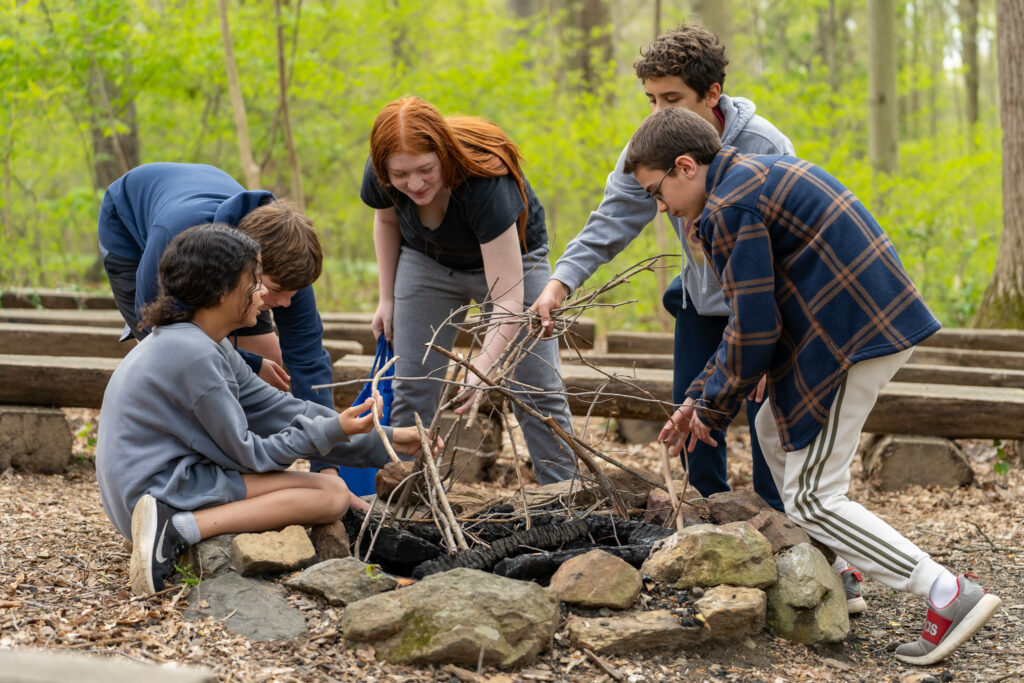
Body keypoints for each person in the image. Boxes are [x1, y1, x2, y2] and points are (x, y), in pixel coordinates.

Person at [623, 106, 1001, 666]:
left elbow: (754, 329)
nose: (660, 209)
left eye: (657, 193)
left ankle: (947, 593)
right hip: (853, 328)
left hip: (853, 337)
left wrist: (712, 409)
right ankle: (837, 561)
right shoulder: (748, 178)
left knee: (812, 494)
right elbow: (748, 322)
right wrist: (697, 398)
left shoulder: (729, 208)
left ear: (685, 166)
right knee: (771, 431)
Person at [531, 24, 791, 514]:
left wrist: (772, 336)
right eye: (650, 99)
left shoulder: (764, 144)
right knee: (691, 416)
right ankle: (704, 520)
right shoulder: (647, 147)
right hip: (701, 298)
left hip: (765, 304)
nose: (656, 112)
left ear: (713, 93)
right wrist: (559, 283)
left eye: (670, 98)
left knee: (765, 421)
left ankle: (779, 524)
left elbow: (789, 251)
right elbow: (612, 219)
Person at [95, 224, 425, 597]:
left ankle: (177, 524)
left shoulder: (203, 343)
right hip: (155, 494)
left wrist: (390, 439)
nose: (263, 292)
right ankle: (178, 530)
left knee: (332, 488)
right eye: (254, 281)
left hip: (149, 488)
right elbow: (252, 457)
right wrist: (336, 430)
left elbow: (281, 410)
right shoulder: (196, 355)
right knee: (331, 496)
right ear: (221, 291)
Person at [361, 96, 576, 485]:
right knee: (413, 385)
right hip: (427, 260)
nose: (414, 183)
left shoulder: (485, 182)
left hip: (514, 263)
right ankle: (407, 495)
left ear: (443, 155)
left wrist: (481, 369)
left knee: (536, 389)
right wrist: (387, 298)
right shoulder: (383, 166)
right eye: (401, 175)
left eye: (426, 170)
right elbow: (388, 222)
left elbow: (509, 298)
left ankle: (565, 494)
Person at [97, 162, 333, 407]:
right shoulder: (177, 235)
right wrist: (247, 363)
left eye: (292, 294)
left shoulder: (289, 262)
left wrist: (326, 429)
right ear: (253, 264)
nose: (285, 303)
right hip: (129, 227)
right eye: (276, 291)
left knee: (269, 358)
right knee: (177, 359)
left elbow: (308, 357)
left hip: (209, 217)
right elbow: (165, 333)